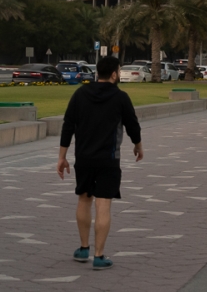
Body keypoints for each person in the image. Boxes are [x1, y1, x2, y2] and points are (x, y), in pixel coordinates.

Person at [57, 56, 143, 271]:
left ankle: (83, 248)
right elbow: (132, 124)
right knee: (103, 204)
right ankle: (99, 255)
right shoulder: (120, 97)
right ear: (114, 74)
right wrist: (138, 145)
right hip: (108, 159)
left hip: (83, 158)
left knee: (84, 200)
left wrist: (62, 156)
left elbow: (68, 125)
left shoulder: (80, 94)